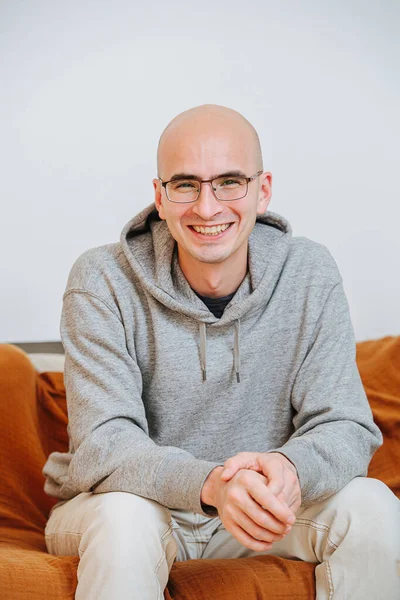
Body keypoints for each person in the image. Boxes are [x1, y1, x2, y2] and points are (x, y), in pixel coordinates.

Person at [42, 104, 400, 599]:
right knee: (127, 518)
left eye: (229, 182)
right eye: (185, 185)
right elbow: (105, 443)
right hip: (131, 506)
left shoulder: (309, 273)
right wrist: (212, 485)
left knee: (373, 505)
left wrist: (292, 470)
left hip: (258, 512)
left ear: (263, 189)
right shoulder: (101, 279)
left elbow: (345, 424)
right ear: (160, 198)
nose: (207, 208)